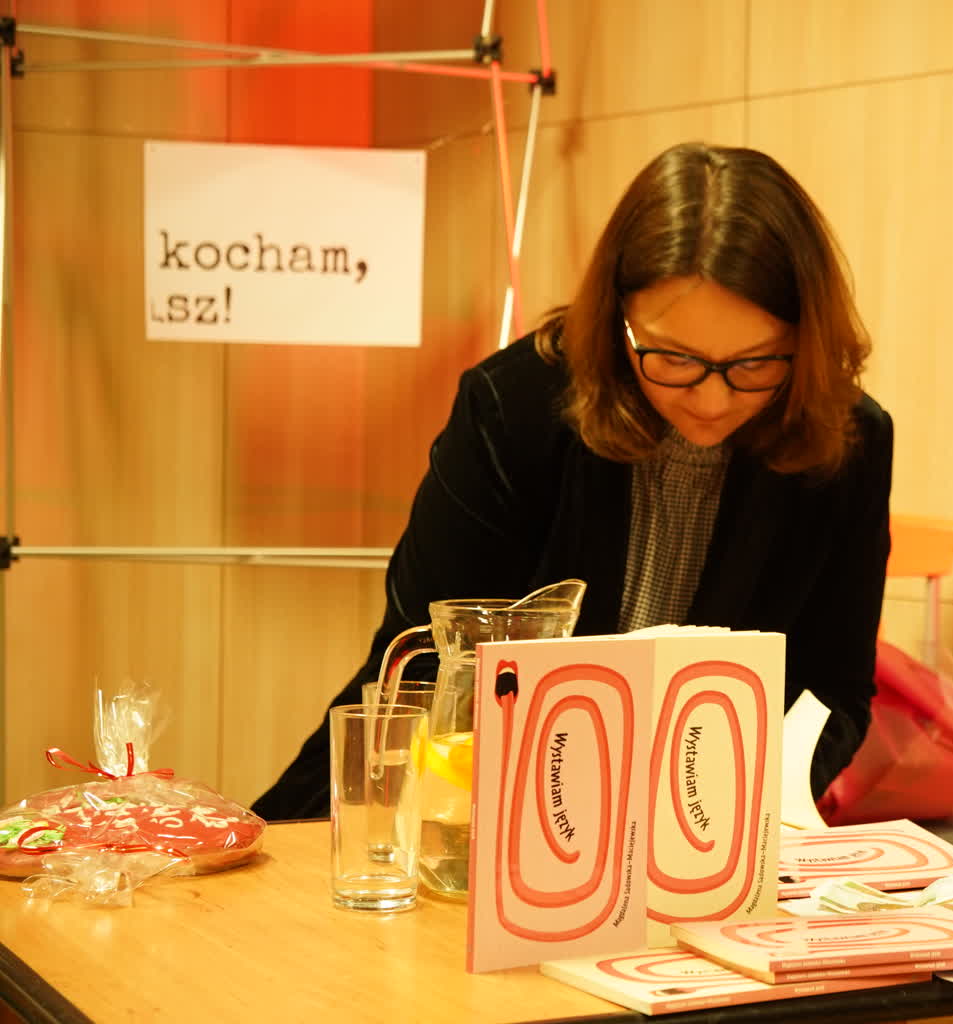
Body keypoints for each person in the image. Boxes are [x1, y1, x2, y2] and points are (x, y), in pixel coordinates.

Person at [252, 142, 894, 822]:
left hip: (706, 818)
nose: (712, 399)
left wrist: (736, 805)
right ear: (617, 321)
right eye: (673, 359)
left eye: (755, 364)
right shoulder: (515, 408)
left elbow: (834, 690)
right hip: (476, 796)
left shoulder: (846, 441)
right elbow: (424, 662)